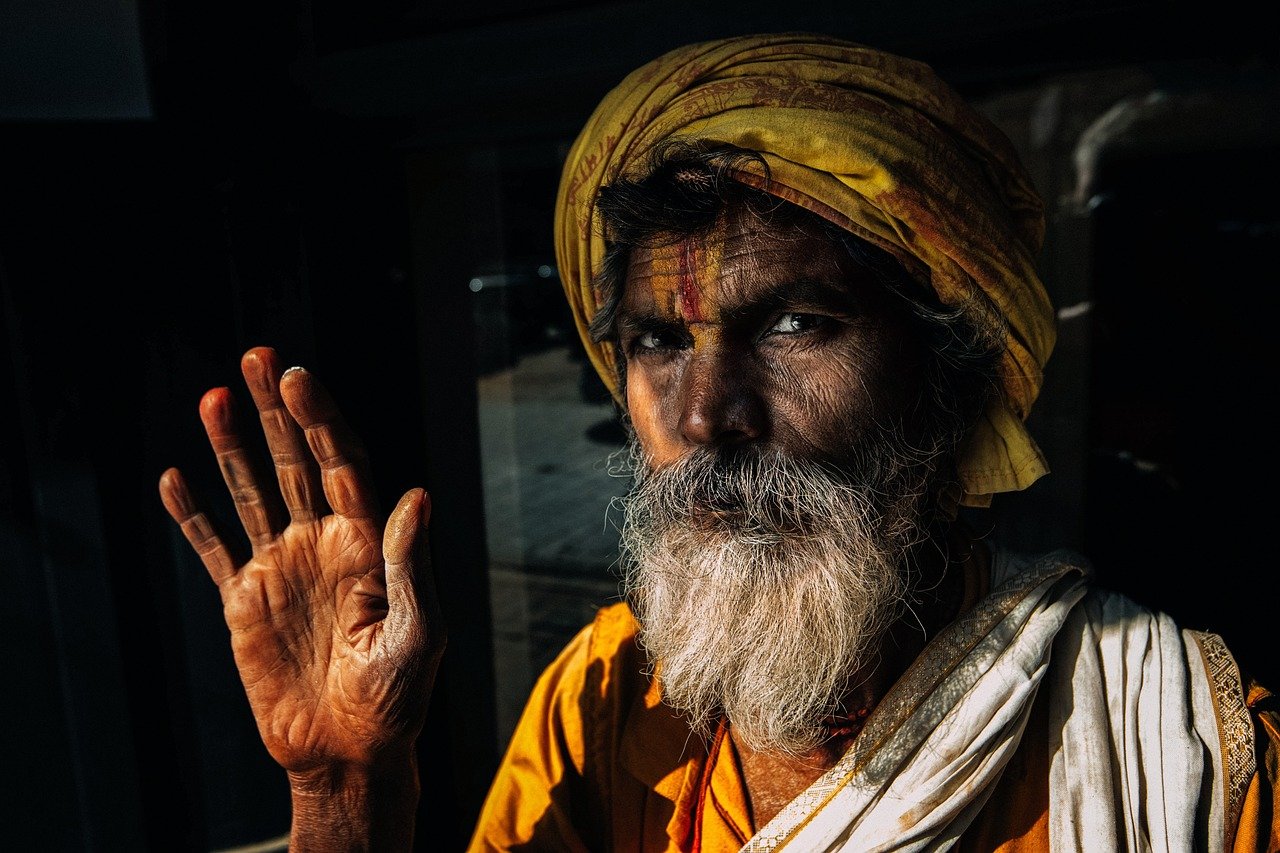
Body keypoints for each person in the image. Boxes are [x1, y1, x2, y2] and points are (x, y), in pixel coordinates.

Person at [159, 33, 1279, 852]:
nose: (704, 415)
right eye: (656, 340)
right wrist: (346, 791)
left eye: (793, 325)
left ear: (952, 381)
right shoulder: (605, 694)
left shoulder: (1180, 744)